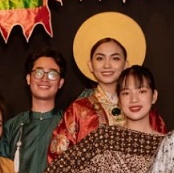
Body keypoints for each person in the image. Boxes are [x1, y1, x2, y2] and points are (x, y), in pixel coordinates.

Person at [47, 11, 161, 163]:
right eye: (100, 58)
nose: (107, 65)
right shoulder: (78, 110)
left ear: (126, 64)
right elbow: (58, 161)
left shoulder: (147, 111)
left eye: (115, 58)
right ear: (90, 65)